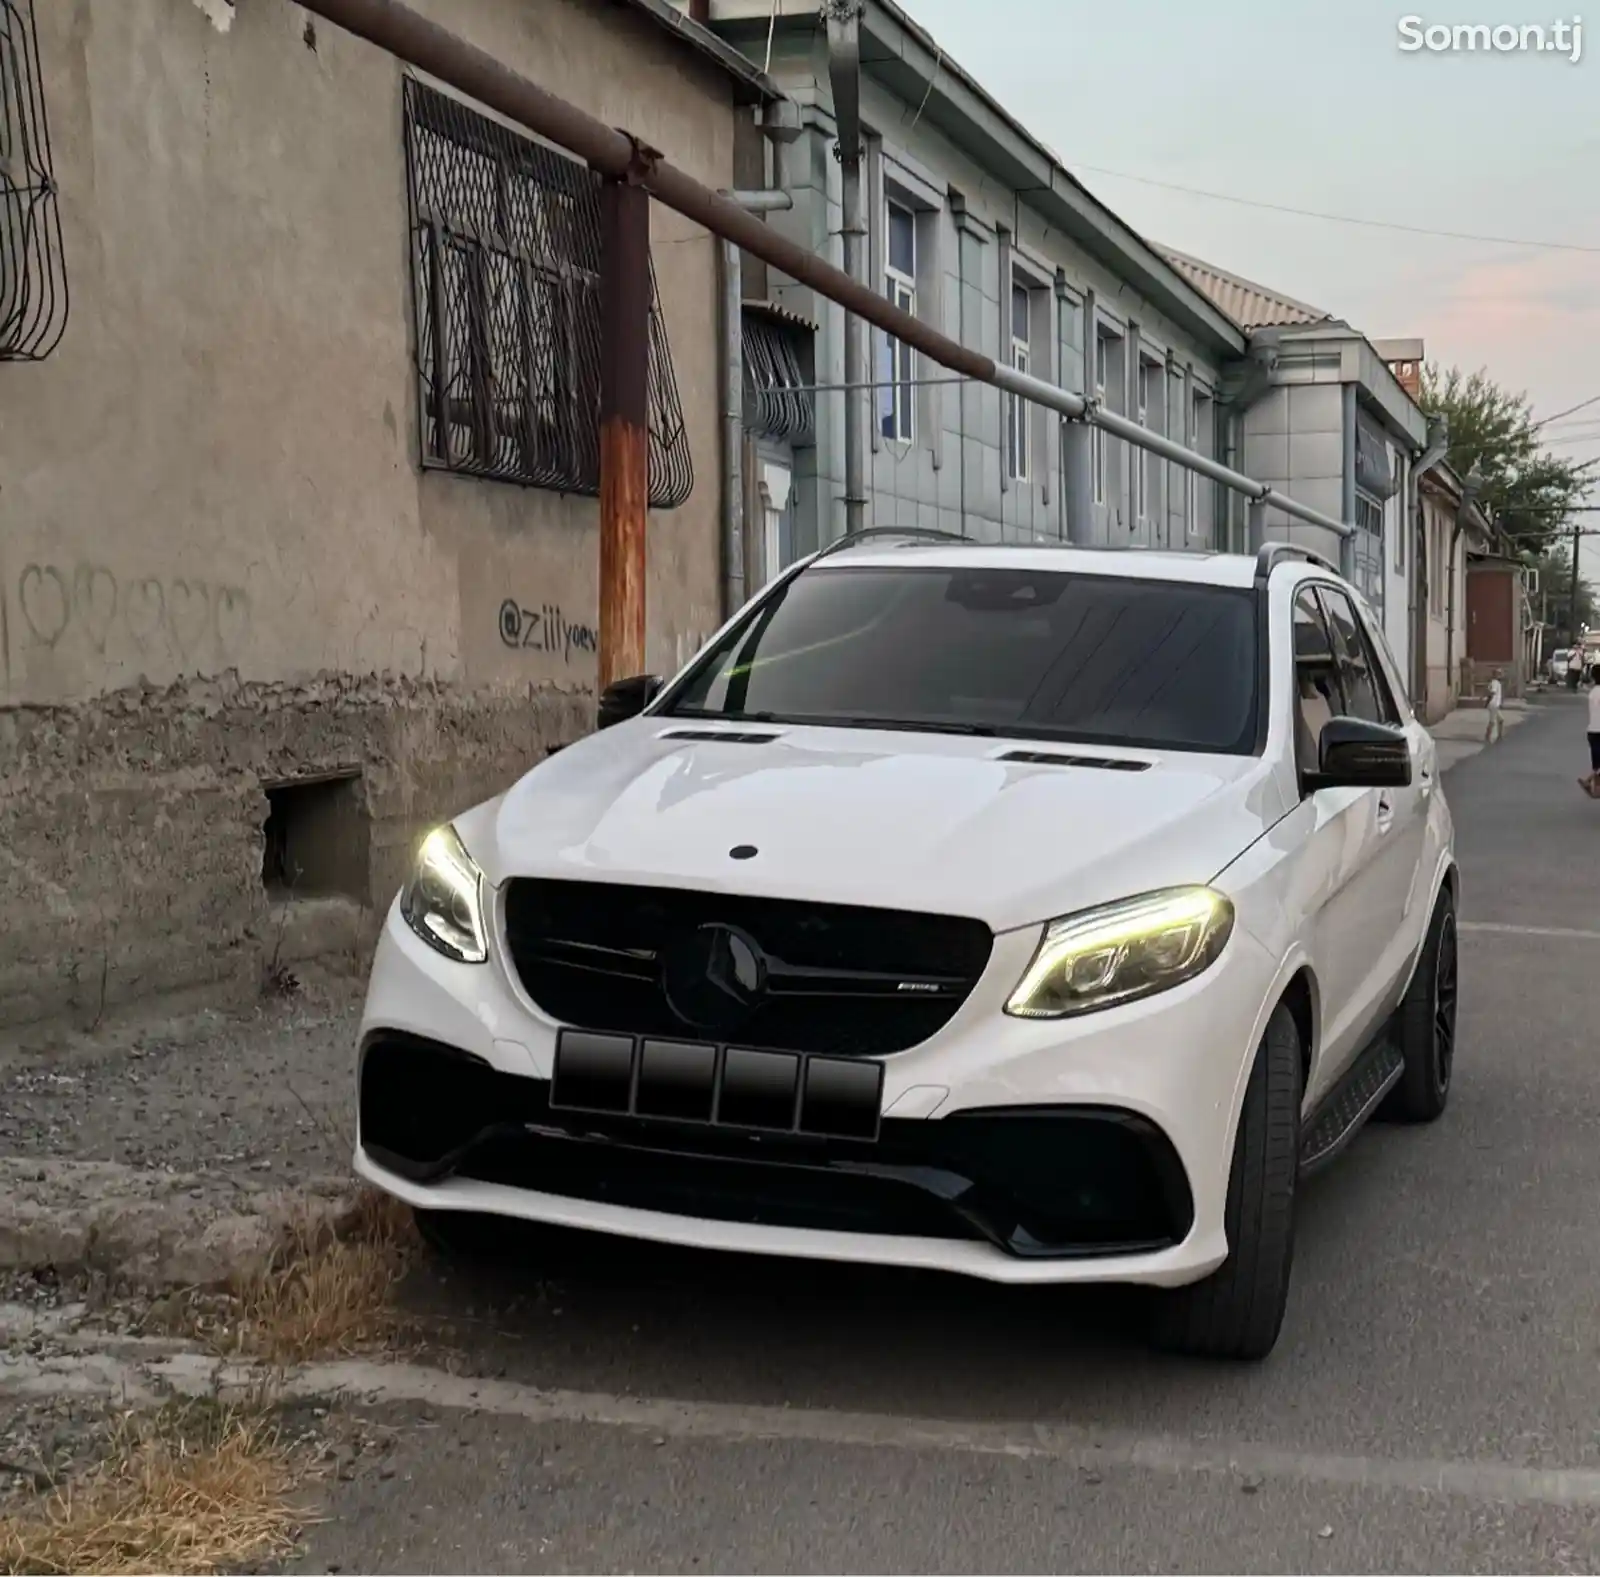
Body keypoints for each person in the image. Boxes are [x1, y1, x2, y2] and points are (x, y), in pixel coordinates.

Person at [1583, 678, 1600, 798]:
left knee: (1597, 762)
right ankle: (1593, 785)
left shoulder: (1593, 692)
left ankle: (1591, 784)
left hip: (1592, 729)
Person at [1485, 669, 1505, 743]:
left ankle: (1500, 736)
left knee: (1501, 720)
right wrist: (1488, 701)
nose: (1501, 675)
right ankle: (1488, 736)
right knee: (1492, 722)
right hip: (1494, 704)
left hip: (1495, 704)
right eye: (1499, 674)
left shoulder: (1495, 682)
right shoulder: (1495, 683)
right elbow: (1492, 692)